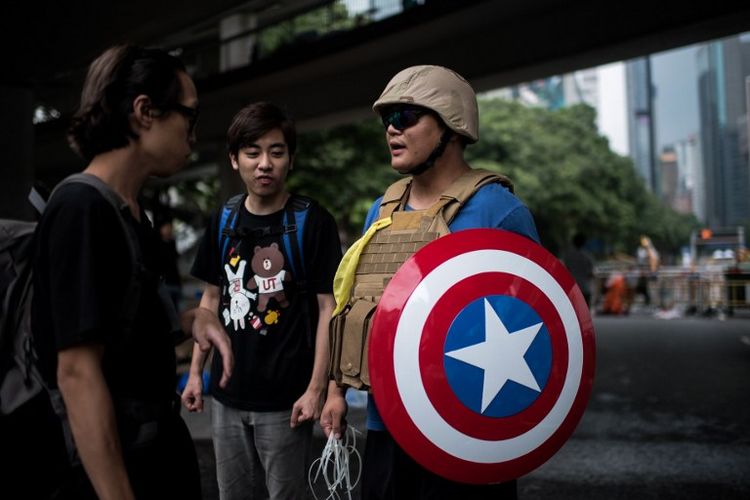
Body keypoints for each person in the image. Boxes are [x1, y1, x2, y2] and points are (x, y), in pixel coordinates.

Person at [321, 65, 539, 499]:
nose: (391, 130)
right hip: (388, 424)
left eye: (406, 117)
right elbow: (354, 303)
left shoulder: (500, 212)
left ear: (452, 127)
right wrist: (336, 392)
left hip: (469, 433)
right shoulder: (381, 211)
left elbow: (540, 327)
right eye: (387, 119)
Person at [31, 44, 232, 500]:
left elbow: (127, 339)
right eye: (189, 116)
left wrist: (190, 321)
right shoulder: (81, 209)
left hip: (158, 456)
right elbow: (77, 373)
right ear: (145, 111)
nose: (194, 135)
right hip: (116, 474)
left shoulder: (131, 214)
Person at [181, 101, 342, 499]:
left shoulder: (312, 221)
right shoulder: (224, 220)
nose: (264, 163)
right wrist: (196, 373)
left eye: (276, 151)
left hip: (286, 401)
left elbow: (329, 309)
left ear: (290, 159)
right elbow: (211, 299)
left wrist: (317, 389)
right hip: (227, 395)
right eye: (252, 153)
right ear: (235, 160)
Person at [563, 233, 595, 308]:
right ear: (584, 243)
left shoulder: (568, 256)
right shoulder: (587, 256)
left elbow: (566, 270)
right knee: (585, 312)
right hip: (585, 288)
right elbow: (591, 273)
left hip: (572, 288)